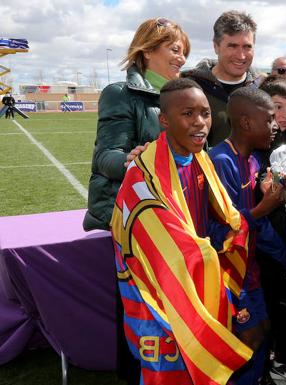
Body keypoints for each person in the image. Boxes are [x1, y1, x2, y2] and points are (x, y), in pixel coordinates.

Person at [110, 78, 253, 385]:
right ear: (164, 119)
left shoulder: (201, 159)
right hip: (161, 293)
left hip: (198, 281)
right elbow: (167, 253)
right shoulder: (142, 177)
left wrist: (232, 235)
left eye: (205, 113)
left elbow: (217, 221)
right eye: (188, 114)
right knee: (167, 372)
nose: (200, 122)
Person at [209, 87, 286, 385]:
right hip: (227, 274)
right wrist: (262, 208)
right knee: (248, 339)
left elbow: (256, 226)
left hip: (250, 270)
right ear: (246, 123)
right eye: (269, 119)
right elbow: (217, 234)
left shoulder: (255, 162)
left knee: (263, 332)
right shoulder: (221, 163)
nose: (275, 125)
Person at [84, 17, 190, 231]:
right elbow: (105, 157)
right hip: (131, 215)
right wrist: (132, 161)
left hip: (172, 212)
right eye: (175, 50)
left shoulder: (185, 98)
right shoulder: (119, 94)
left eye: (184, 53)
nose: (182, 59)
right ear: (147, 51)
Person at [183, 10, 261, 147]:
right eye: (232, 46)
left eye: (247, 47)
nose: (241, 56)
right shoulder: (190, 89)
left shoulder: (263, 87)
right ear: (216, 46)